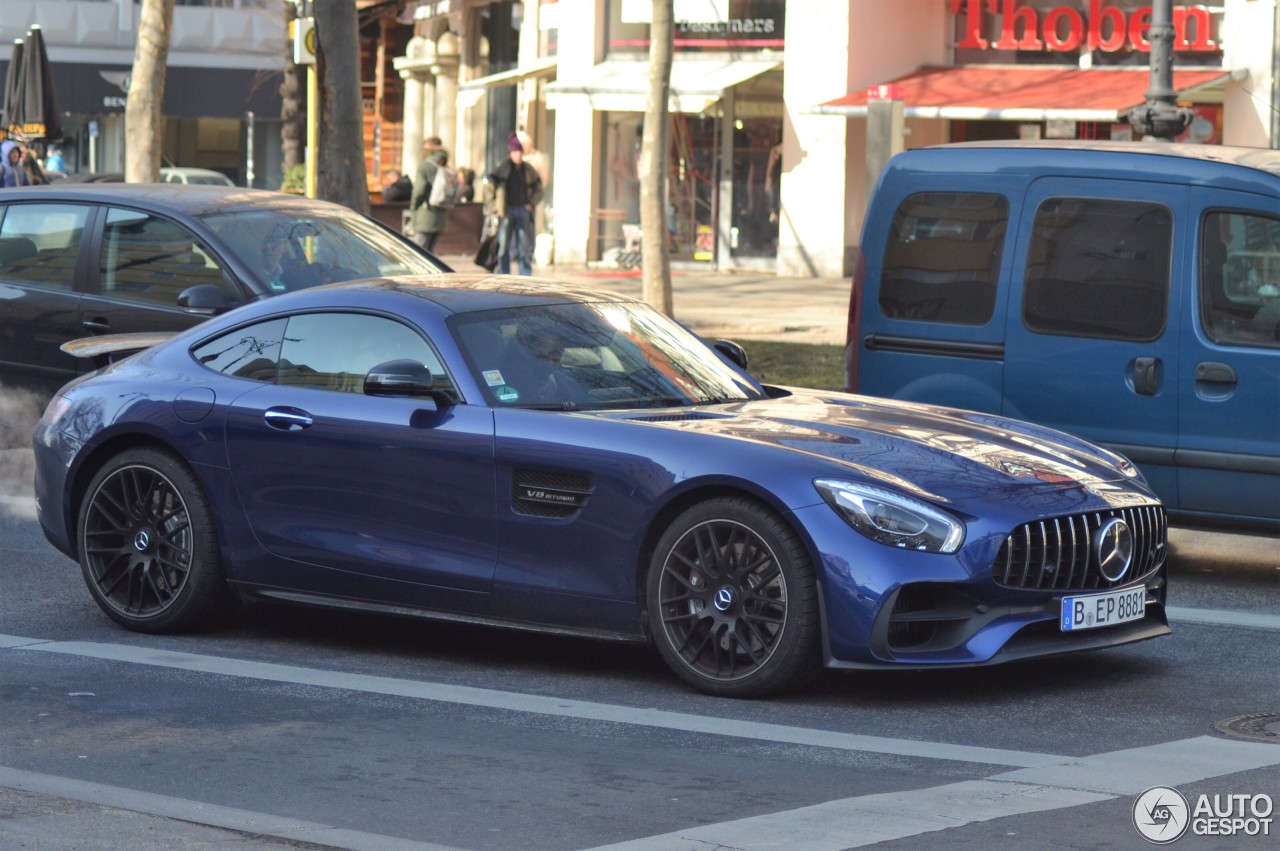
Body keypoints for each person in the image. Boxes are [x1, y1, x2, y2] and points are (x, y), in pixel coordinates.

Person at [486, 131, 543, 276]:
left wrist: (531, 203)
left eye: (520, 152)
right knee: (503, 246)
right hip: (506, 211)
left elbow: (539, 189)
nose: (518, 155)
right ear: (510, 153)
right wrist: (494, 207)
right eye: (515, 152)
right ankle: (504, 274)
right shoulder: (502, 168)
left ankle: (526, 275)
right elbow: (489, 188)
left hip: (523, 210)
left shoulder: (528, 170)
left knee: (524, 246)